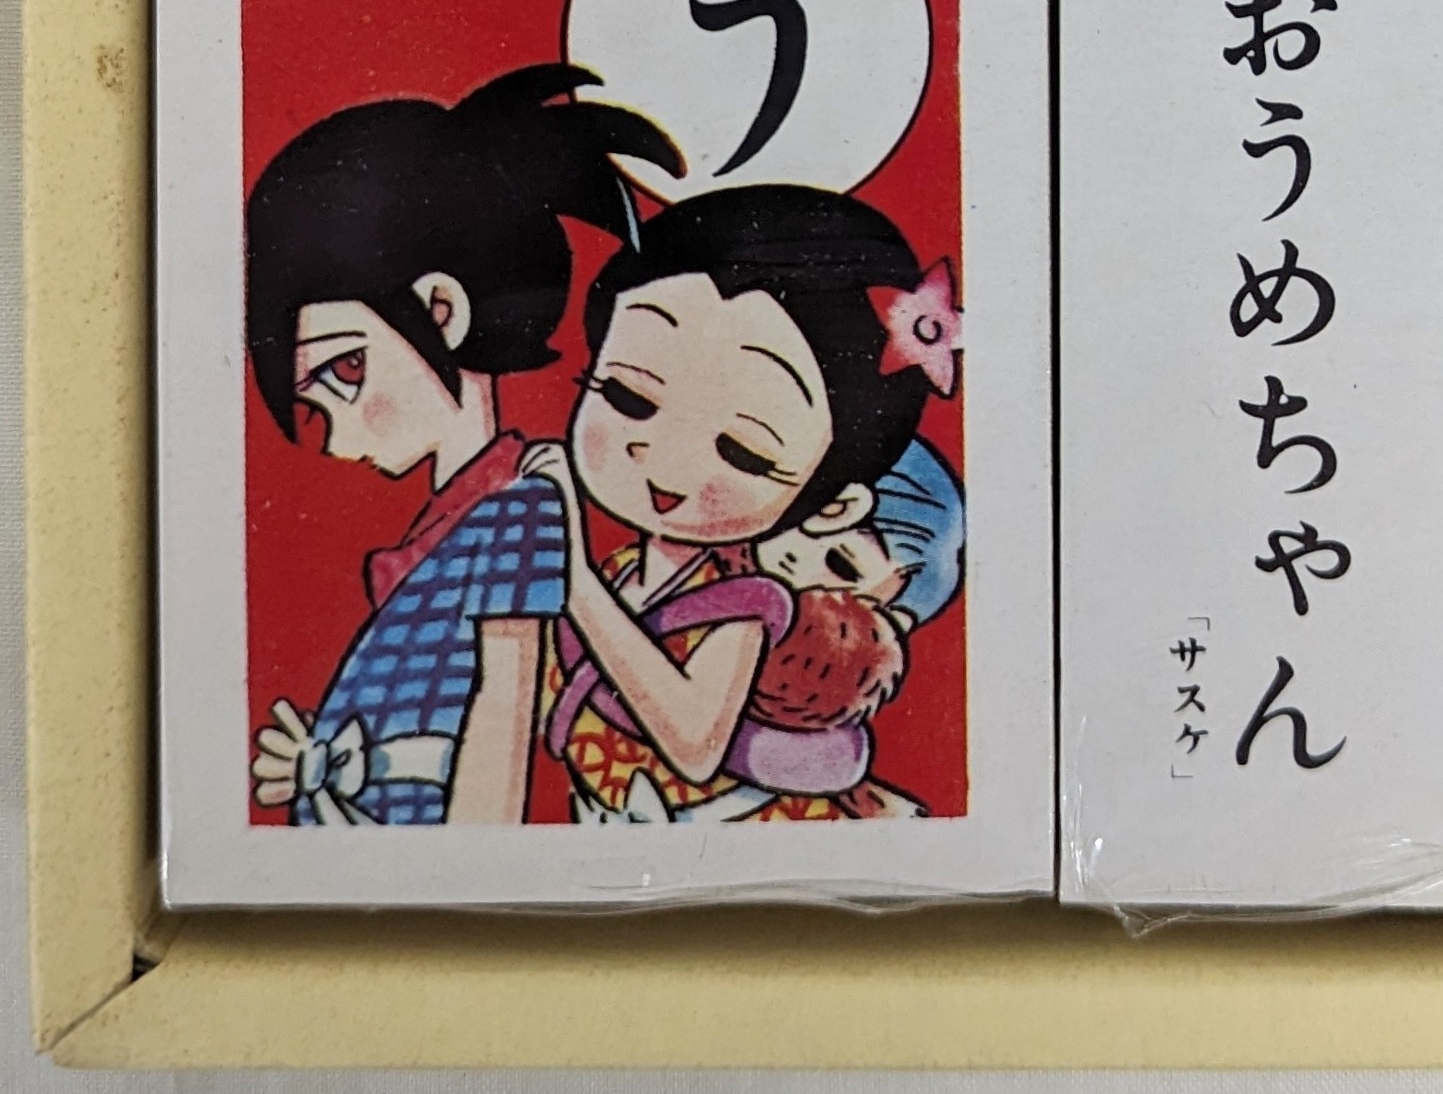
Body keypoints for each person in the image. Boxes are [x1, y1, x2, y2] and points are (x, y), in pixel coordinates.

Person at [245, 62, 682, 827]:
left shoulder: (516, 511)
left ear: (441, 310)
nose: (338, 435)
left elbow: (498, 733)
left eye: (348, 370)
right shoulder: (448, 529)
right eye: (316, 405)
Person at [529, 188, 960, 824]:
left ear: (833, 503)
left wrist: (576, 582)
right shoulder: (619, 572)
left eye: (744, 451)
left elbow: (694, 746)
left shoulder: (747, 601)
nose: (666, 462)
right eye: (627, 396)